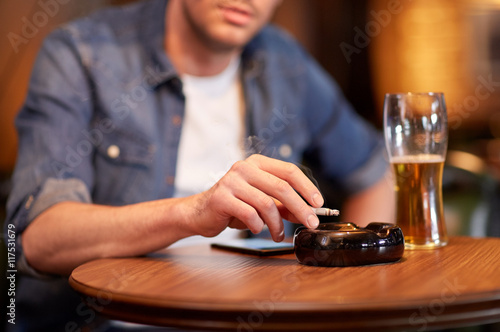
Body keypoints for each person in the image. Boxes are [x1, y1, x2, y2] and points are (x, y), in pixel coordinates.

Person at [5, 0, 394, 330]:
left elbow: (374, 171)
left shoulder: (284, 63)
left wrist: (340, 296)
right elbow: (36, 239)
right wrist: (194, 212)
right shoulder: (81, 54)